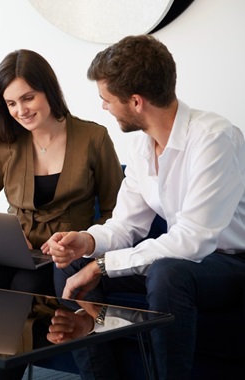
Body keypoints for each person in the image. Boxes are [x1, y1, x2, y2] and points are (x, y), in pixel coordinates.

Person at [44, 34, 245, 379]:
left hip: (229, 264)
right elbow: (126, 226)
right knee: (71, 261)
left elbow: (192, 241)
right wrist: (87, 242)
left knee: (169, 273)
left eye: (107, 99)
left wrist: (102, 266)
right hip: (180, 260)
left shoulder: (214, 139)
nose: (104, 107)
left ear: (136, 102)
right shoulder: (142, 148)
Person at [0, 49, 124, 380]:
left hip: (63, 254)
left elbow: (117, 213)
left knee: (25, 287)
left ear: (47, 89)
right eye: (11, 104)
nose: (21, 111)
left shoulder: (94, 138)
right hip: (13, 251)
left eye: (28, 98)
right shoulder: (3, 142)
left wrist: (86, 243)